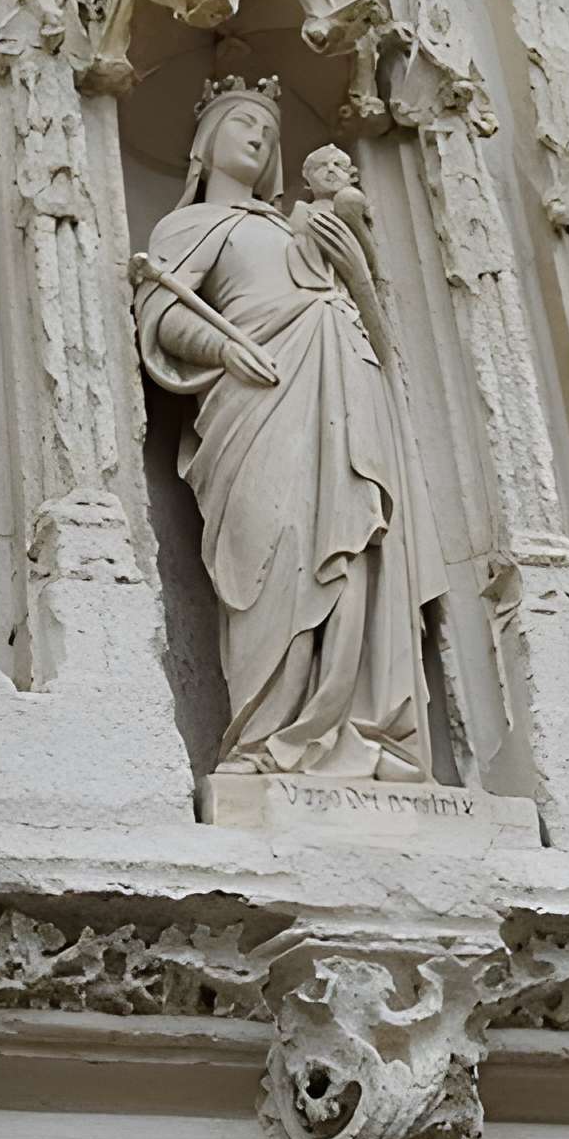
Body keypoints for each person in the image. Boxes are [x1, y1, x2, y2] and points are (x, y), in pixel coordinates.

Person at [135, 81, 441, 781]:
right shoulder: (187, 228)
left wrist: (359, 273)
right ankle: (263, 735)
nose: (259, 137)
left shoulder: (293, 226)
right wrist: (225, 349)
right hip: (255, 404)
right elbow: (163, 317)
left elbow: (383, 341)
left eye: (269, 131)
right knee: (272, 549)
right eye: (242, 122)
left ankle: (359, 730)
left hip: (344, 388)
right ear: (204, 140)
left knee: (354, 538)